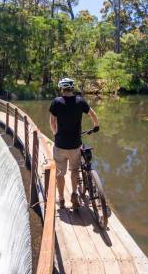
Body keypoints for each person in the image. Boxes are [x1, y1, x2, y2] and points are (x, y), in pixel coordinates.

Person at [49, 77, 99, 209]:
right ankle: (74, 193)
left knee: (60, 173)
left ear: (61, 88)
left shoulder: (56, 102)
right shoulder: (80, 101)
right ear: (72, 88)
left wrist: (55, 134)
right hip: (75, 144)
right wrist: (96, 125)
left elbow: (52, 122)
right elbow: (92, 114)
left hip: (60, 145)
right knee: (75, 170)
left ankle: (61, 199)